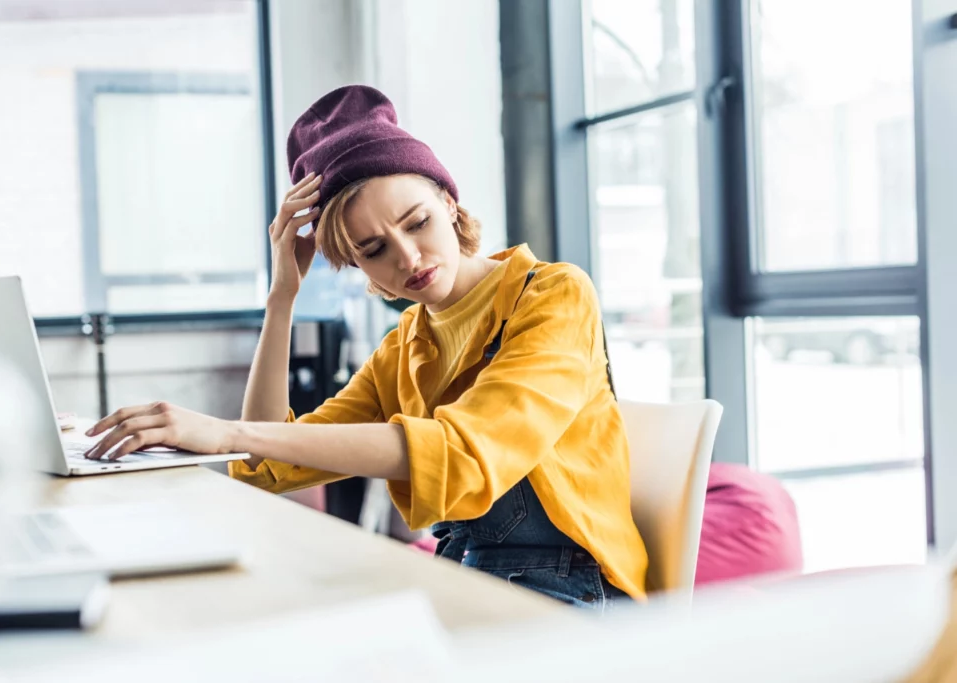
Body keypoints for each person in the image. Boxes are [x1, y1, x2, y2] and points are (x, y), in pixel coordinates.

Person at [83, 85, 647, 608]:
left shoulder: (552, 294)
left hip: (570, 582)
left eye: (418, 221)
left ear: (449, 201)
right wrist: (282, 298)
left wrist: (227, 432)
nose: (408, 258)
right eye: (374, 249)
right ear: (356, 265)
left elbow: (462, 453)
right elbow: (263, 465)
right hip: (463, 569)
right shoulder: (403, 346)